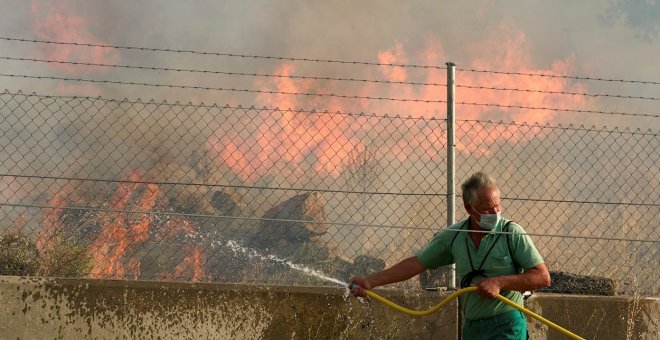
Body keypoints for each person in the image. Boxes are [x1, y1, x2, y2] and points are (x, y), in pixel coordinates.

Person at [349, 172, 551, 340]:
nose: (495, 212)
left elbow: (542, 277)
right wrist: (370, 281)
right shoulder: (455, 236)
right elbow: (417, 263)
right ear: (468, 208)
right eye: (487, 209)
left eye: (497, 205)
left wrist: (499, 282)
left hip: (507, 325)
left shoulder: (511, 233)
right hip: (472, 329)